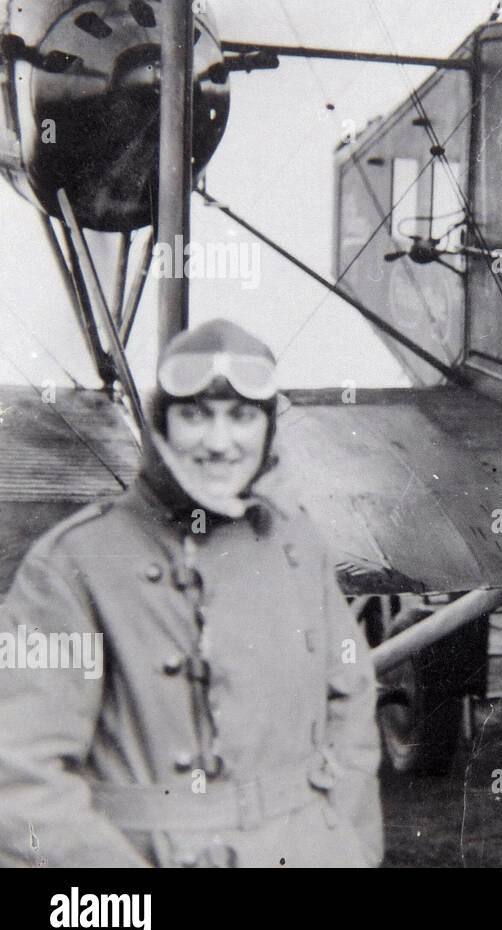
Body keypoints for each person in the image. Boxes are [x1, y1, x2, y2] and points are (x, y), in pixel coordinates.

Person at [0, 319, 382, 867]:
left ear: (268, 428)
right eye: (195, 415)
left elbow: (351, 699)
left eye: (242, 416)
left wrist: (343, 846)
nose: (220, 442)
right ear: (162, 426)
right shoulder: (75, 560)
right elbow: (18, 775)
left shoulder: (297, 542)